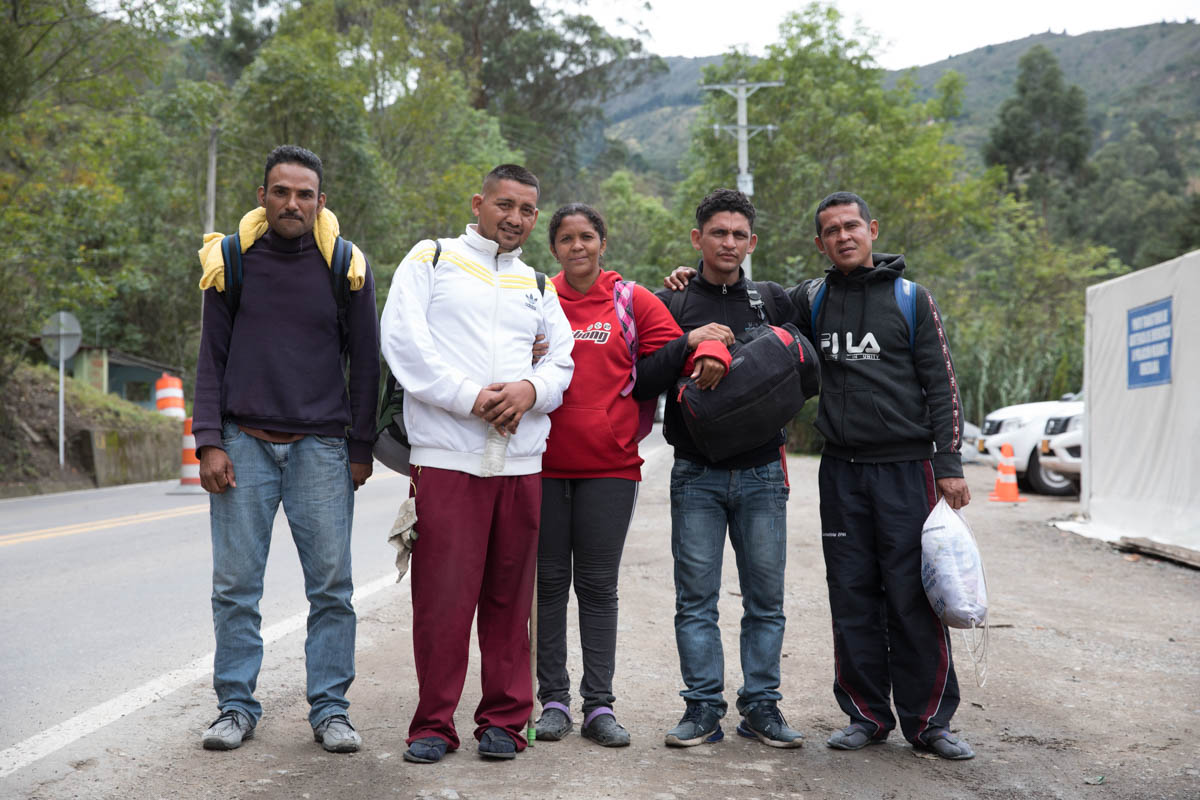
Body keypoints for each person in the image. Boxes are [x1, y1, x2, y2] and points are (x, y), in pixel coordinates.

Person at [379, 164, 575, 764]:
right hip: (446, 459)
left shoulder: (538, 285)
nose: (514, 218)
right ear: (479, 203)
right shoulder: (431, 260)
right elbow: (404, 343)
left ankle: (504, 721)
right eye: (504, 205)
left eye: (526, 210)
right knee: (442, 601)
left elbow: (561, 362)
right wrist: (471, 396)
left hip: (519, 465)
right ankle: (433, 725)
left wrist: (528, 391)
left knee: (509, 602)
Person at [193, 145, 379, 753]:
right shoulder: (230, 262)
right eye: (281, 191)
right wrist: (208, 442)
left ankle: (330, 709)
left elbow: (367, 365)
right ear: (262, 195)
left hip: (321, 451)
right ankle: (235, 707)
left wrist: (360, 447)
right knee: (236, 587)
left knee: (331, 589)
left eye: (304, 194)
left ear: (321, 202)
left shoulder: (346, 266)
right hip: (243, 445)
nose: (292, 203)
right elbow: (211, 358)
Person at [531, 203, 728, 748]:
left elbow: (681, 345)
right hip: (541, 466)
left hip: (611, 468)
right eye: (567, 239)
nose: (578, 247)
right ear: (554, 248)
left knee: (597, 587)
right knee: (548, 586)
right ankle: (552, 701)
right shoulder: (536, 297)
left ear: (602, 243)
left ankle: (599, 706)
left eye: (587, 237)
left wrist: (711, 344)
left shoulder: (630, 299)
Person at [795, 191, 974, 759]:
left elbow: (942, 384)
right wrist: (685, 279)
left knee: (913, 597)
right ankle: (865, 716)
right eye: (831, 230)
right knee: (851, 596)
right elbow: (752, 312)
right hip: (841, 472)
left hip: (906, 471)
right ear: (819, 242)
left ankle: (929, 724)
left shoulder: (912, 299)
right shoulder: (813, 300)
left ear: (872, 229)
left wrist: (948, 464)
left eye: (852, 226)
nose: (844, 236)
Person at [637, 188, 807, 750]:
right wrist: (691, 342)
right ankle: (702, 708)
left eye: (738, 235)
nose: (728, 242)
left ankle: (762, 707)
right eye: (718, 233)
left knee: (766, 600)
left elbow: (801, 352)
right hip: (696, 475)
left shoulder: (772, 299)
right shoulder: (673, 302)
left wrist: (734, 347)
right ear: (697, 238)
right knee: (696, 599)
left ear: (751, 242)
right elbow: (644, 378)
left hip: (763, 473)